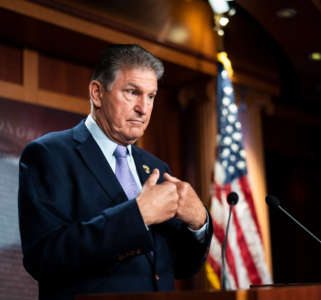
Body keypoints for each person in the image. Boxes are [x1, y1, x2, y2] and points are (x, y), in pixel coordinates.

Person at [18, 44, 212, 300]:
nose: (143, 108)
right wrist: (137, 216)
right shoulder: (49, 155)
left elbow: (181, 267)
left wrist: (199, 223)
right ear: (97, 93)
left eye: (151, 96)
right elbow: (43, 258)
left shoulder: (155, 168)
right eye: (132, 92)